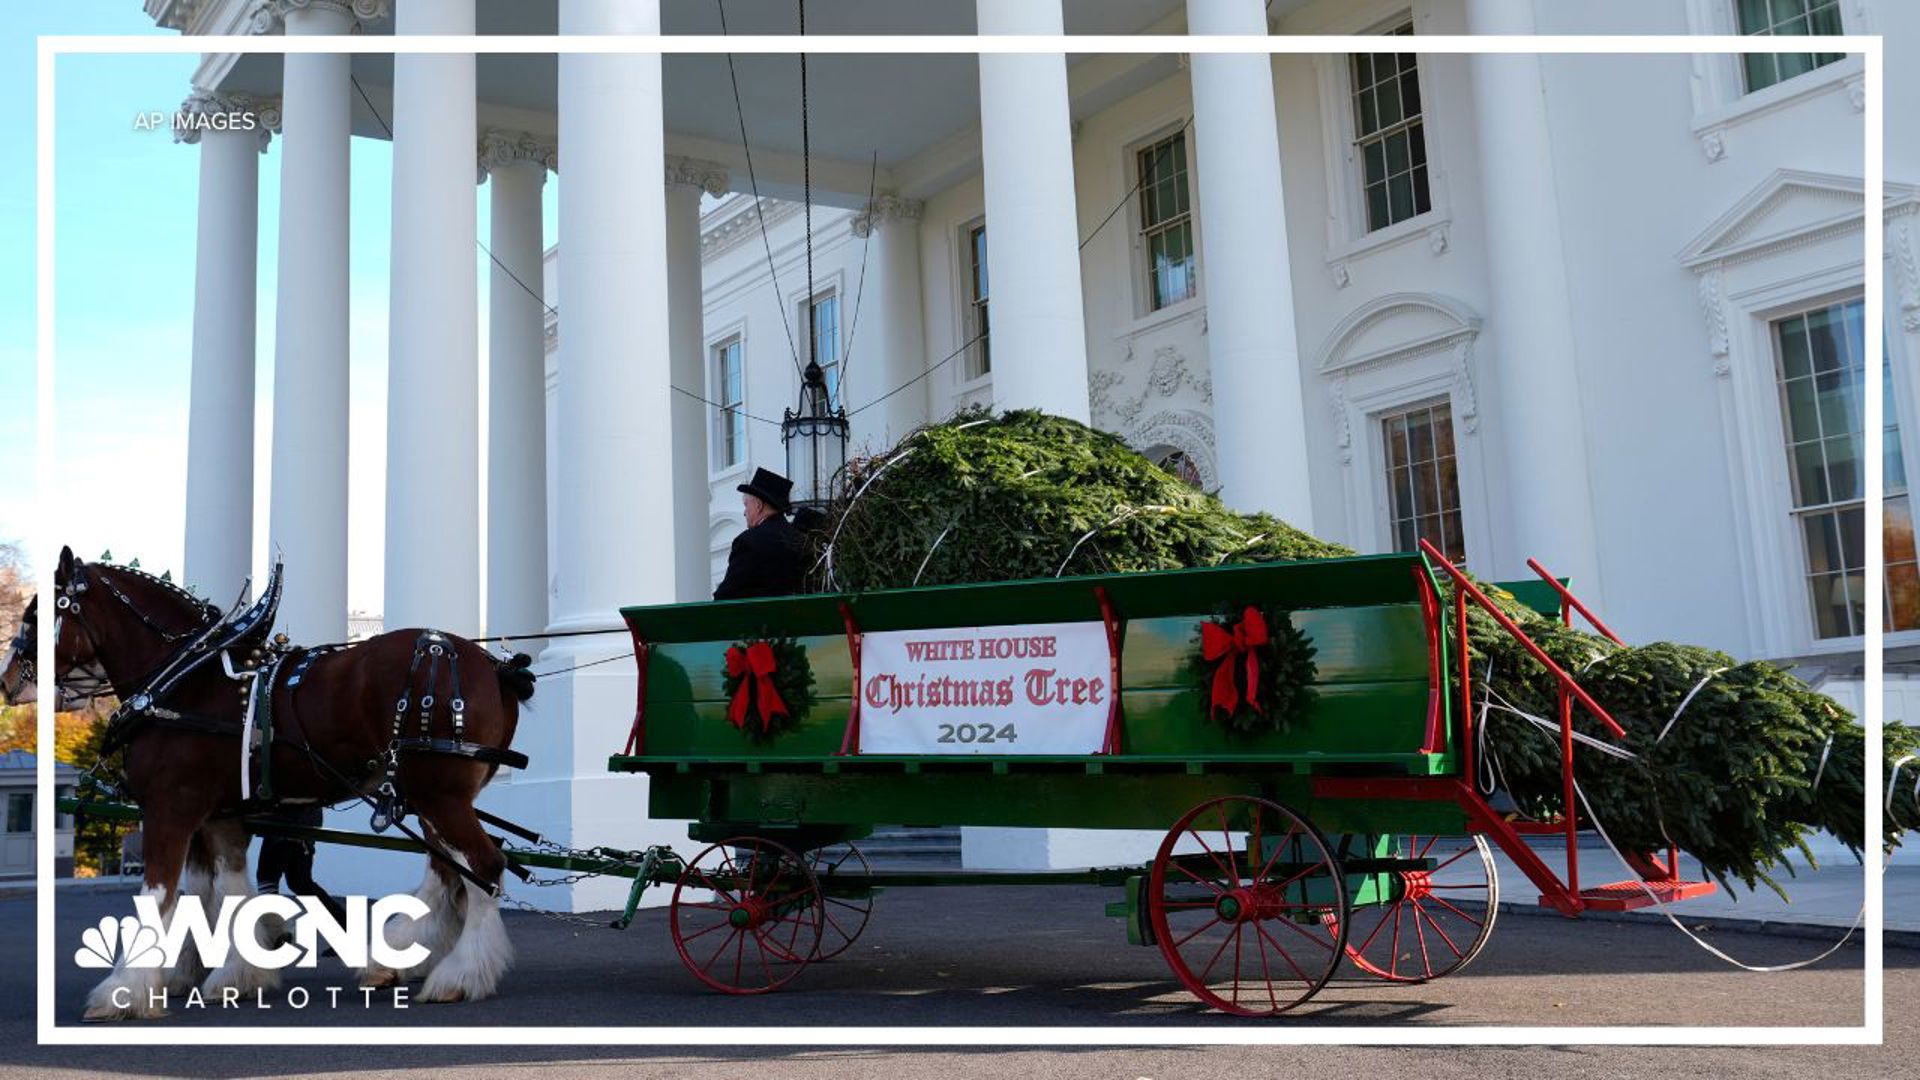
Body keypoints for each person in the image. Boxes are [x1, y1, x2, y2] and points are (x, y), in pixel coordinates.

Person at [713, 467, 808, 600]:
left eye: (746, 505)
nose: (744, 512)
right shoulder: (800, 539)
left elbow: (726, 595)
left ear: (758, 505)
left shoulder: (749, 542)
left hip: (759, 619)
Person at [255, 803, 348, 928]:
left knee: (267, 880)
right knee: (300, 883)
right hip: (305, 825)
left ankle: (275, 936)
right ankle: (345, 926)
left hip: (285, 824)